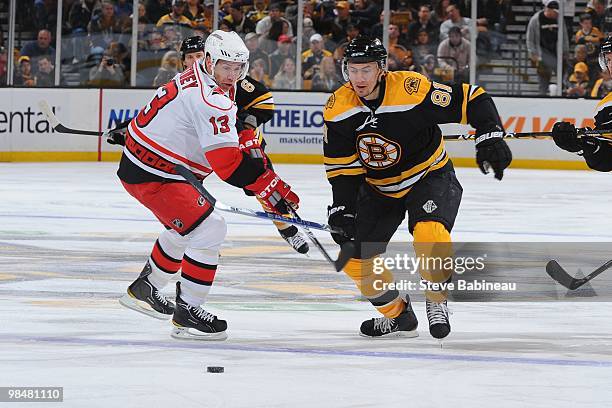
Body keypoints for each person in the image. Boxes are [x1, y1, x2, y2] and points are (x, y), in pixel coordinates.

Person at [323, 36, 511, 339]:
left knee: (429, 232)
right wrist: (343, 208)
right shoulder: (338, 109)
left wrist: (489, 133)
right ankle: (399, 316)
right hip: (379, 188)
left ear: (382, 68)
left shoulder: (411, 89)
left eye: (366, 70)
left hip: (428, 176)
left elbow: (471, 98)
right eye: (353, 70)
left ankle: (436, 299)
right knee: (352, 257)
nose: (359, 78)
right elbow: (343, 169)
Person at [117, 30, 300, 340]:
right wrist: (267, 185)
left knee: (184, 228)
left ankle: (144, 288)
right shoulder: (210, 98)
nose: (232, 75)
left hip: (147, 167)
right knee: (209, 228)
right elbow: (228, 166)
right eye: (226, 67)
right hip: (159, 175)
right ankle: (188, 311)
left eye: (238, 68)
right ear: (210, 60)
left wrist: (242, 138)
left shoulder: (199, 76)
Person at [179, 35, 309, 254]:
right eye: (189, 57)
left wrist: (247, 124)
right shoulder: (185, 85)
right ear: (183, 61)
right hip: (204, 150)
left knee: (263, 187)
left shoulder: (232, 77)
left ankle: (287, 228)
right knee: (185, 189)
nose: (194, 61)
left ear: (209, 58)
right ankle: (203, 236)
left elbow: (264, 101)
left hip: (243, 145)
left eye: (198, 56)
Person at [552, 36, 612, 172]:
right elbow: (607, 161)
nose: (611, 65)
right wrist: (583, 146)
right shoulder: (607, 107)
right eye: (608, 60)